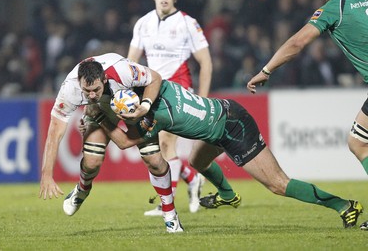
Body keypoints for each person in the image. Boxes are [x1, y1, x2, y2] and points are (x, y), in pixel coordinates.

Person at [90, 79, 363, 229]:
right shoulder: (161, 86)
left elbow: (125, 143)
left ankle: (344, 205)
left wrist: (100, 119)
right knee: (197, 160)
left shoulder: (155, 119)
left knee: (278, 184)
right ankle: (228, 195)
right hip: (224, 113)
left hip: (233, 127)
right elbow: (149, 77)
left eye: (123, 114)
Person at [246, 0, 368, 229]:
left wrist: (266, 70)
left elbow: (297, 42)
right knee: (357, 142)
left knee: (359, 143)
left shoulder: (334, 8)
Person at [38, 53, 184, 233]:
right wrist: (46, 174)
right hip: (99, 111)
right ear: (79, 84)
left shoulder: (123, 71)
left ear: (104, 79)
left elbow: (155, 78)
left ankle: (170, 216)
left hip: (133, 104)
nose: (91, 95)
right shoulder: (70, 89)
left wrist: (144, 107)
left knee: (155, 161)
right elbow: (54, 132)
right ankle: (82, 190)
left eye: (96, 90)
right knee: (91, 162)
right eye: (86, 91)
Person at [127, 0, 213, 215]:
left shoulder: (188, 23)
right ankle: (193, 178)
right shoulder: (143, 23)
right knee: (157, 149)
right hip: (152, 90)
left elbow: (205, 62)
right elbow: (132, 62)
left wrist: (202, 98)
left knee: (165, 143)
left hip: (178, 88)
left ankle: (167, 205)